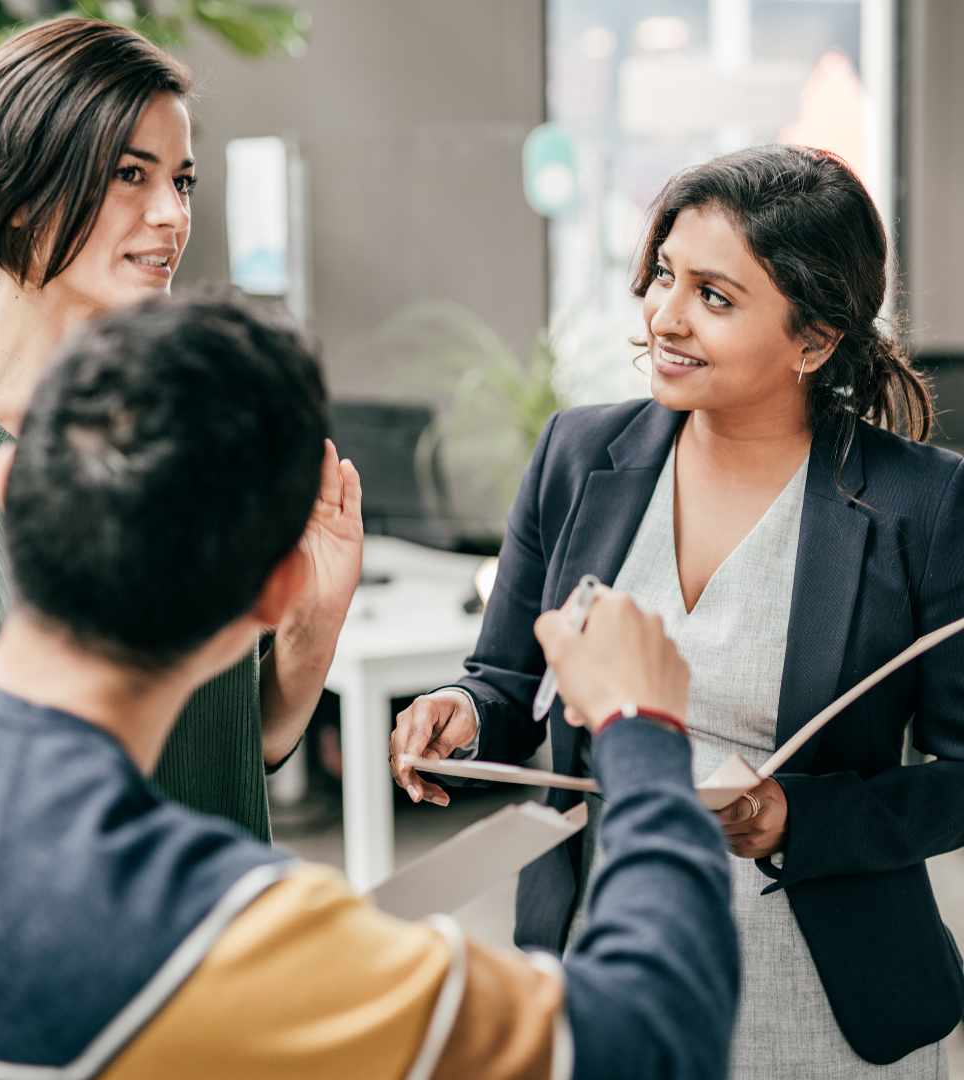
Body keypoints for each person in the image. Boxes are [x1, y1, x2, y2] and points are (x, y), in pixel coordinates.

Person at [0, 287, 737, 1080]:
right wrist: (639, 723)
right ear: (274, 589)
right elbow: (653, 1038)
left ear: (6, 492)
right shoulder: (243, 938)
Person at [390, 145, 964, 1077]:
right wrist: (462, 713)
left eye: (715, 296)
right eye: (664, 274)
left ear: (813, 341)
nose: (663, 315)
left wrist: (798, 818)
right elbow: (504, 680)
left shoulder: (922, 505)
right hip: (611, 955)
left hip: (826, 992)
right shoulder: (579, 456)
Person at [0, 18, 362, 836]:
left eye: (181, 180)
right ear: (25, 190)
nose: (171, 215)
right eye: (129, 175)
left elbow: (229, 746)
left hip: (219, 939)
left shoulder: (192, 420)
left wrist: (312, 624)